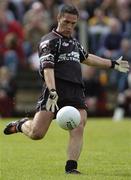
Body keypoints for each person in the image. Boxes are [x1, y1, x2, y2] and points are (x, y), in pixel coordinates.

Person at [3, 4, 129, 174]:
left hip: (75, 91)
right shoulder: (49, 41)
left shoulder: (74, 42)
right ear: (58, 19)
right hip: (53, 91)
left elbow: (87, 57)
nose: (70, 26)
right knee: (37, 133)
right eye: (66, 22)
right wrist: (53, 91)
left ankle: (71, 168)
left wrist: (112, 64)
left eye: (73, 23)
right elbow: (48, 69)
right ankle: (21, 124)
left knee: (79, 125)